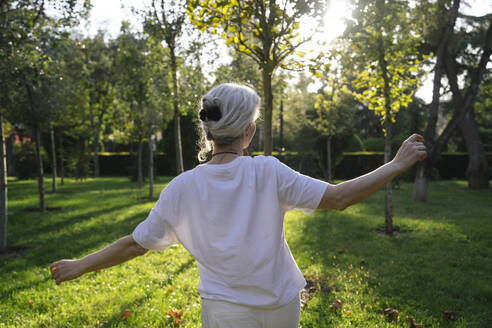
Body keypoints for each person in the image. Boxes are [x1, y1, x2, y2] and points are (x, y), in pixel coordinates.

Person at [50, 83, 427, 328]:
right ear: (249, 130)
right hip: (282, 304)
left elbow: (135, 244)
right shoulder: (269, 171)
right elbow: (341, 197)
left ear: (208, 131)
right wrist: (395, 165)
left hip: (225, 311)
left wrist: (80, 265)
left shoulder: (182, 188)